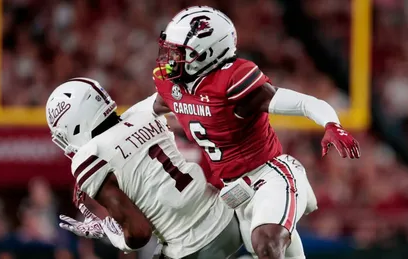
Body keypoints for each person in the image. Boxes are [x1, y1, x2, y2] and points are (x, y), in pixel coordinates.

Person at [152, 6, 361, 259]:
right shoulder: (171, 87)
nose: (171, 59)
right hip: (230, 192)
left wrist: (331, 124)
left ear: (208, 53)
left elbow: (305, 103)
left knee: (265, 243)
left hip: (269, 176)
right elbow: (149, 109)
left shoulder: (232, 81)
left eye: (179, 52)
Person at [45, 78, 242, 259]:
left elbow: (139, 233)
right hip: (229, 219)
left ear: (74, 125)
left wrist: (108, 231)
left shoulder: (89, 156)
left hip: (191, 247)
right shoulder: (142, 112)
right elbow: (176, 96)